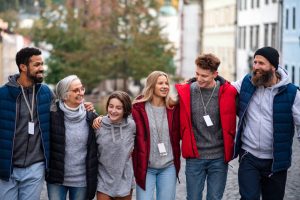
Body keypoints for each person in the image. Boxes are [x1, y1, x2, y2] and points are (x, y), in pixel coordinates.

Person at [232, 46, 300, 200]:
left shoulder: (292, 93)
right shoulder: (247, 82)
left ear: (273, 66)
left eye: (261, 63)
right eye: (254, 62)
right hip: (249, 155)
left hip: (276, 161)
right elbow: (226, 89)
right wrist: (208, 80)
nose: (256, 67)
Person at [175, 53, 237, 200]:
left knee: (215, 197)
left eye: (204, 76)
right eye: (197, 74)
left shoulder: (228, 92)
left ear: (215, 74)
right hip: (195, 157)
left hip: (219, 158)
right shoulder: (187, 91)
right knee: (193, 197)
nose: (199, 79)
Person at [0, 47, 53, 200]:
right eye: (36, 65)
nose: (41, 68)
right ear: (23, 67)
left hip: (35, 167)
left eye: (42, 64)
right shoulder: (2, 95)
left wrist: (86, 110)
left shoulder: (46, 93)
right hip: (7, 169)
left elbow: (62, 115)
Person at [46, 75, 98, 200]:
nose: (81, 93)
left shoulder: (91, 116)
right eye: (76, 90)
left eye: (82, 89)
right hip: (56, 178)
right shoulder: (52, 115)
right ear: (65, 95)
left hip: (81, 180)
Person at [131, 71, 181, 200]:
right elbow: (120, 119)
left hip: (168, 166)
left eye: (166, 83)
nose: (165, 86)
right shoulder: (138, 108)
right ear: (151, 86)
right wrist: (102, 118)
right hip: (146, 168)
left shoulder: (173, 107)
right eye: (160, 83)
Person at [95, 91, 135, 200]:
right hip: (104, 180)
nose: (113, 111)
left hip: (125, 179)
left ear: (125, 109)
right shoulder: (98, 125)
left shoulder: (131, 125)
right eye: (111, 106)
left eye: (118, 108)